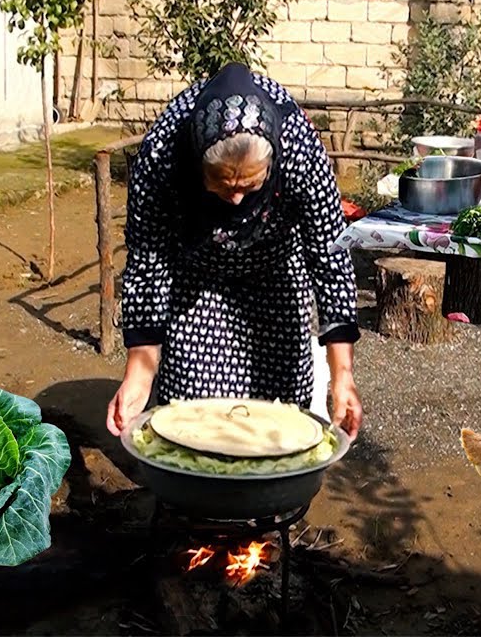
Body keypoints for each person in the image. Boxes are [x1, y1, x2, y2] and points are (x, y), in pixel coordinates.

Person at [105, 62, 364, 443]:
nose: (238, 197)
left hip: (275, 271)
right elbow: (148, 261)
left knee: (279, 413)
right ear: (198, 163)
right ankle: (197, 497)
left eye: (251, 184)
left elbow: (330, 257)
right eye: (224, 185)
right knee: (192, 413)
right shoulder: (163, 156)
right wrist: (139, 373)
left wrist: (342, 376)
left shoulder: (299, 150)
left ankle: (273, 498)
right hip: (198, 275)